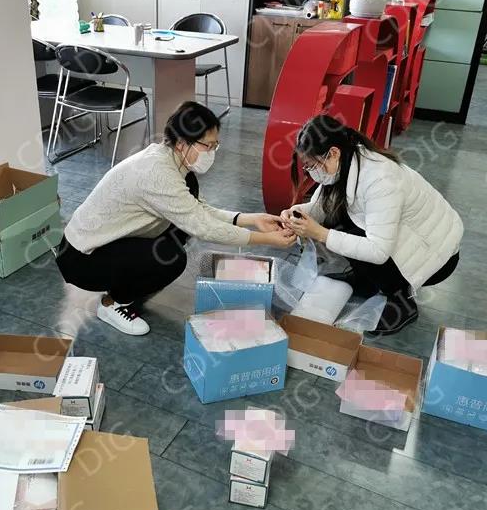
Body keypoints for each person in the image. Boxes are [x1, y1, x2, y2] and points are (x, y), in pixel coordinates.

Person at [56, 101, 296, 336]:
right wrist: (266, 239)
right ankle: (112, 303)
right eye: (207, 146)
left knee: (180, 227)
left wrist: (253, 219)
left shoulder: (174, 162)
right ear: (182, 143)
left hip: (105, 241)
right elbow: (203, 227)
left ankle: (131, 278)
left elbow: (200, 210)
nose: (212, 153)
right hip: (81, 258)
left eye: (216, 145)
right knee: (171, 258)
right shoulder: (158, 174)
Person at [282, 115, 463, 335]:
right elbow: (323, 206)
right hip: (407, 238)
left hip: (435, 254)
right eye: (308, 167)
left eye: (313, 165)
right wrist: (299, 213)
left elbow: (378, 251)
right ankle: (365, 279)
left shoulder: (380, 179)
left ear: (333, 153)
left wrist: (320, 233)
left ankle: (401, 301)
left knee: (344, 234)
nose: (311, 172)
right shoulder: (346, 161)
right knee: (340, 222)